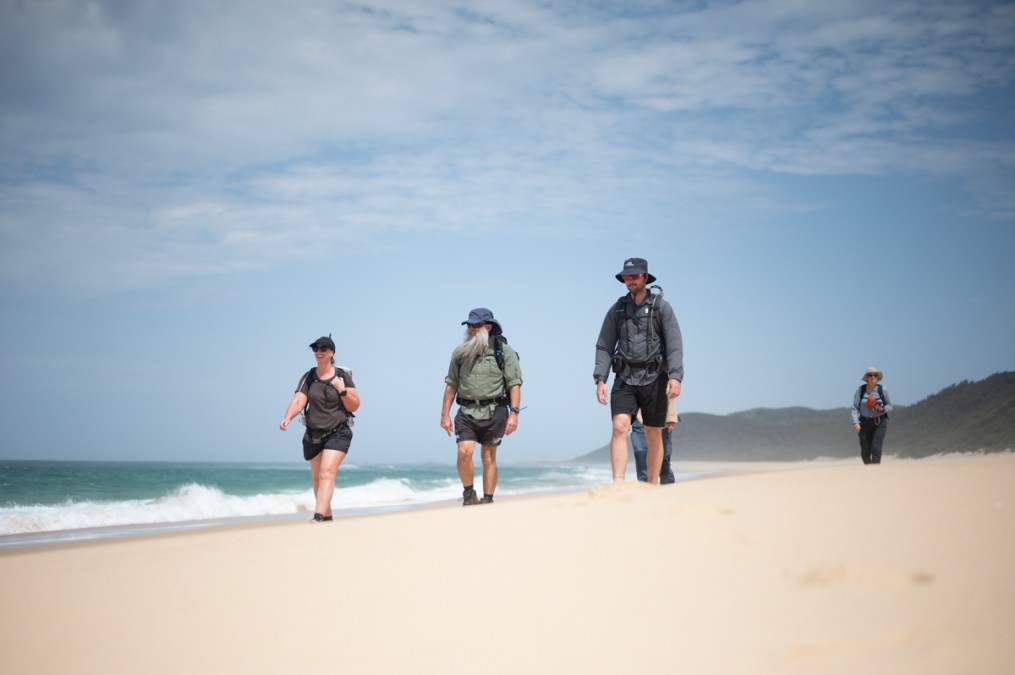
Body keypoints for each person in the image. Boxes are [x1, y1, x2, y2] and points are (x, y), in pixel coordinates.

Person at [594, 257, 683, 483]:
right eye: (626, 277)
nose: (630, 281)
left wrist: (675, 376)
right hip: (625, 378)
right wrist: (601, 379)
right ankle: (618, 483)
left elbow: (674, 343)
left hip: (655, 378)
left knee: (653, 433)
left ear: (644, 277)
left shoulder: (661, 307)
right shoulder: (617, 310)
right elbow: (604, 345)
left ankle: (651, 485)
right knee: (619, 428)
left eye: (634, 276)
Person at [441, 308, 523, 506]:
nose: (470, 329)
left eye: (475, 326)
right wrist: (445, 414)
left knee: (488, 456)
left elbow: (514, 384)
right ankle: (469, 493)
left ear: (488, 327)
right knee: (464, 452)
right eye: (469, 325)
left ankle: (487, 499)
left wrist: (514, 414)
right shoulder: (459, 353)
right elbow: (451, 384)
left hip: (495, 411)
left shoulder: (504, 351)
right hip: (466, 411)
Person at [279, 335, 361, 522]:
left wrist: (341, 390)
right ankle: (327, 518)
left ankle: (317, 517)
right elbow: (299, 400)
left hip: (338, 432)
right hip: (314, 434)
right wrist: (288, 417)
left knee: (326, 473)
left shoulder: (342, 375)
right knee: (317, 479)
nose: (319, 352)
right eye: (316, 349)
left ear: (332, 352)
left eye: (323, 348)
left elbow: (355, 405)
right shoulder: (309, 377)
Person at [631, 396, 678, 483]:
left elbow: (671, 391)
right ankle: (646, 490)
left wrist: (671, 416)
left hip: (661, 416)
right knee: (642, 460)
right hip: (639, 417)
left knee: (663, 463)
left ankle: (669, 488)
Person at [851, 366, 892, 465]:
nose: (873, 377)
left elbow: (890, 405)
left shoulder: (882, 389)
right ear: (866, 378)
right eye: (870, 375)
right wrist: (855, 422)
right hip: (864, 422)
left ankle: (875, 470)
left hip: (879, 422)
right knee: (865, 451)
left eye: (875, 375)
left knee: (876, 446)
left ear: (878, 377)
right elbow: (855, 407)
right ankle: (869, 469)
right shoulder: (860, 390)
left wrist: (883, 409)